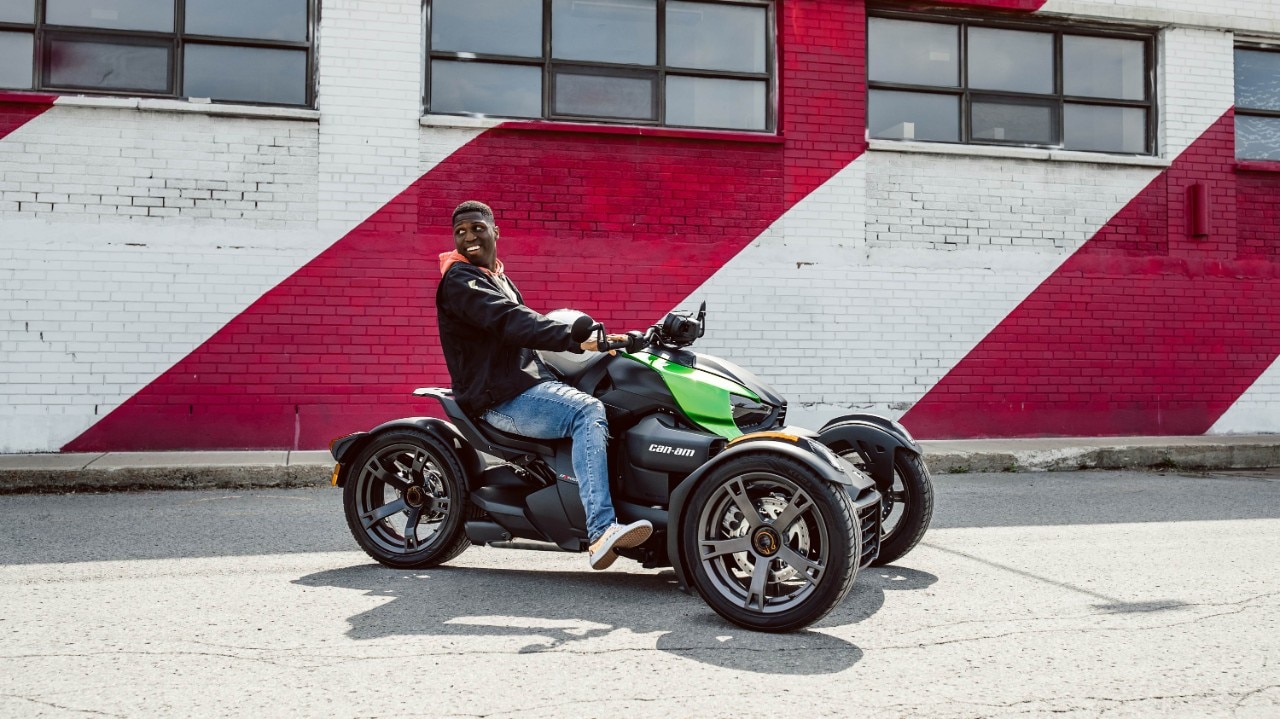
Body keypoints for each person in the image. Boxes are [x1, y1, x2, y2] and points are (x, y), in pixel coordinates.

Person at [435, 200, 652, 570]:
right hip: (500, 398)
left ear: (494, 231)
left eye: (477, 228)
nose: (469, 237)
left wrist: (608, 344)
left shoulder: (497, 277)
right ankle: (601, 531)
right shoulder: (461, 280)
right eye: (461, 232)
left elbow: (525, 327)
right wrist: (574, 338)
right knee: (587, 411)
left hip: (520, 386)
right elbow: (513, 321)